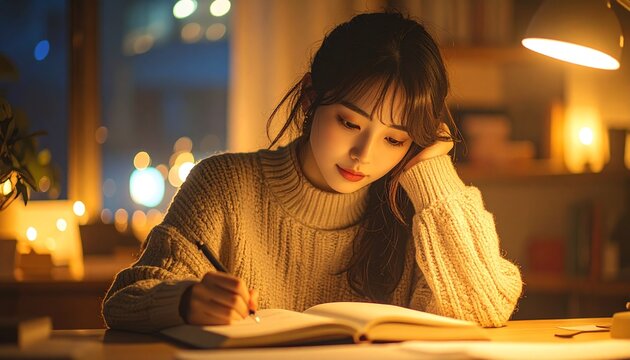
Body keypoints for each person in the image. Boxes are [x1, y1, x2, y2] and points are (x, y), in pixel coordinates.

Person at [102, 11, 522, 333]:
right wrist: (187, 300)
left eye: (394, 139)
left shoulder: (416, 211)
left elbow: (484, 306)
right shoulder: (225, 187)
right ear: (309, 100)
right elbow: (125, 300)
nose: (363, 154)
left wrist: (432, 171)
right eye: (349, 123)